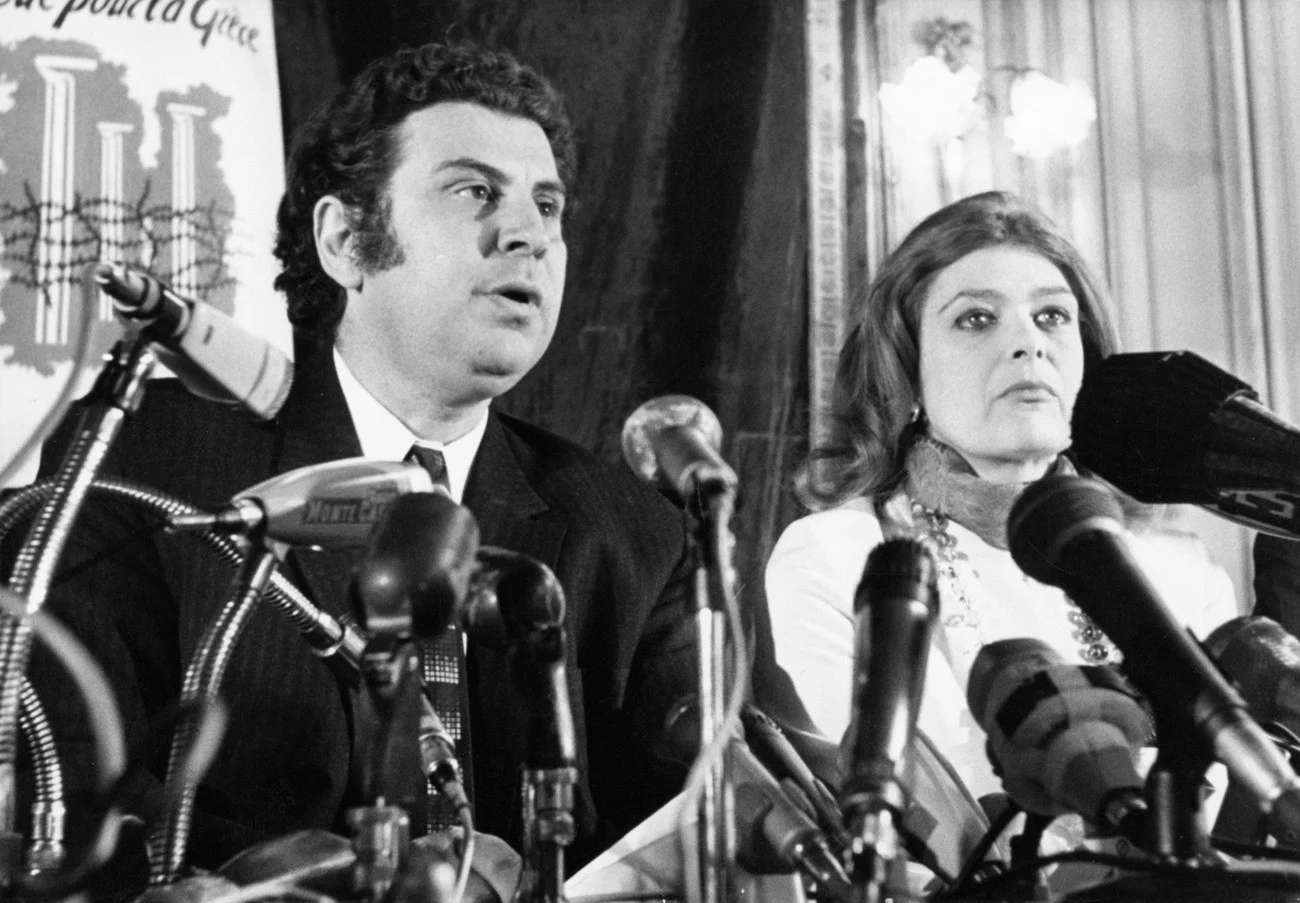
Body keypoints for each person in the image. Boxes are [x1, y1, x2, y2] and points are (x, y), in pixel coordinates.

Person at [23, 40, 696, 888]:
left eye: (548, 204)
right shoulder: (147, 457)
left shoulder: (634, 533)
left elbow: (689, 830)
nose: (529, 234)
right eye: (474, 191)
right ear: (345, 241)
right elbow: (72, 794)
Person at [764, 191, 1237, 879]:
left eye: (1052, 316)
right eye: (977, 318)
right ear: (907, 374)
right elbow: (908, 815)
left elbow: (1219, 806)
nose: (1028, 343)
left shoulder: (1181, 569)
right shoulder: (837, 556)